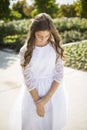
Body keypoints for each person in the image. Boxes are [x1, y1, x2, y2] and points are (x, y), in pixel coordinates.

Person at [19, 13, 67, 130]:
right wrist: (37, 102)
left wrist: (44, 100)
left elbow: (59, 74)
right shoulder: (25, 51)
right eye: (40, 36)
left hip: (53, 92)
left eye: (47, 36)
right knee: (33, 125)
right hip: (33, 93)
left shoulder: (55, 47)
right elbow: (28, 78)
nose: (43, 39)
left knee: (52, 124)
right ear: (33, 32)